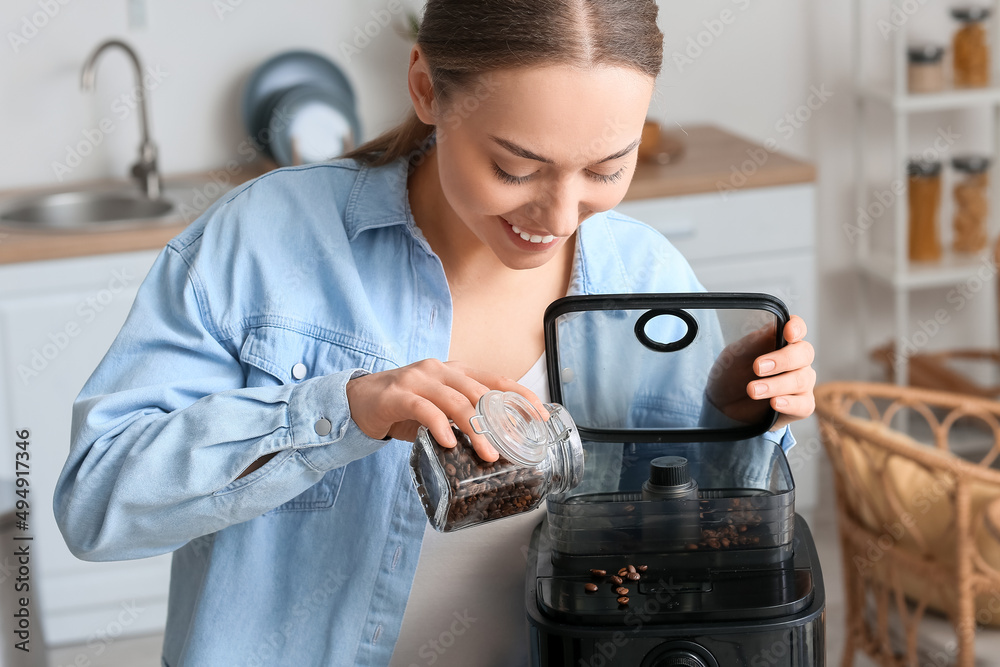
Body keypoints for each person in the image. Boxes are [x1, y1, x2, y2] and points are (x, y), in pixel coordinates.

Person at [53, 1, 816, 665]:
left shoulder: (645, 273)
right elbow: (97, 503)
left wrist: (738, 416)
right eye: (517, 168)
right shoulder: (262, 242)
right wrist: (341, 411)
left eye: (606, 170)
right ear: (426, 87)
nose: (558, 216)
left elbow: (693, 541)